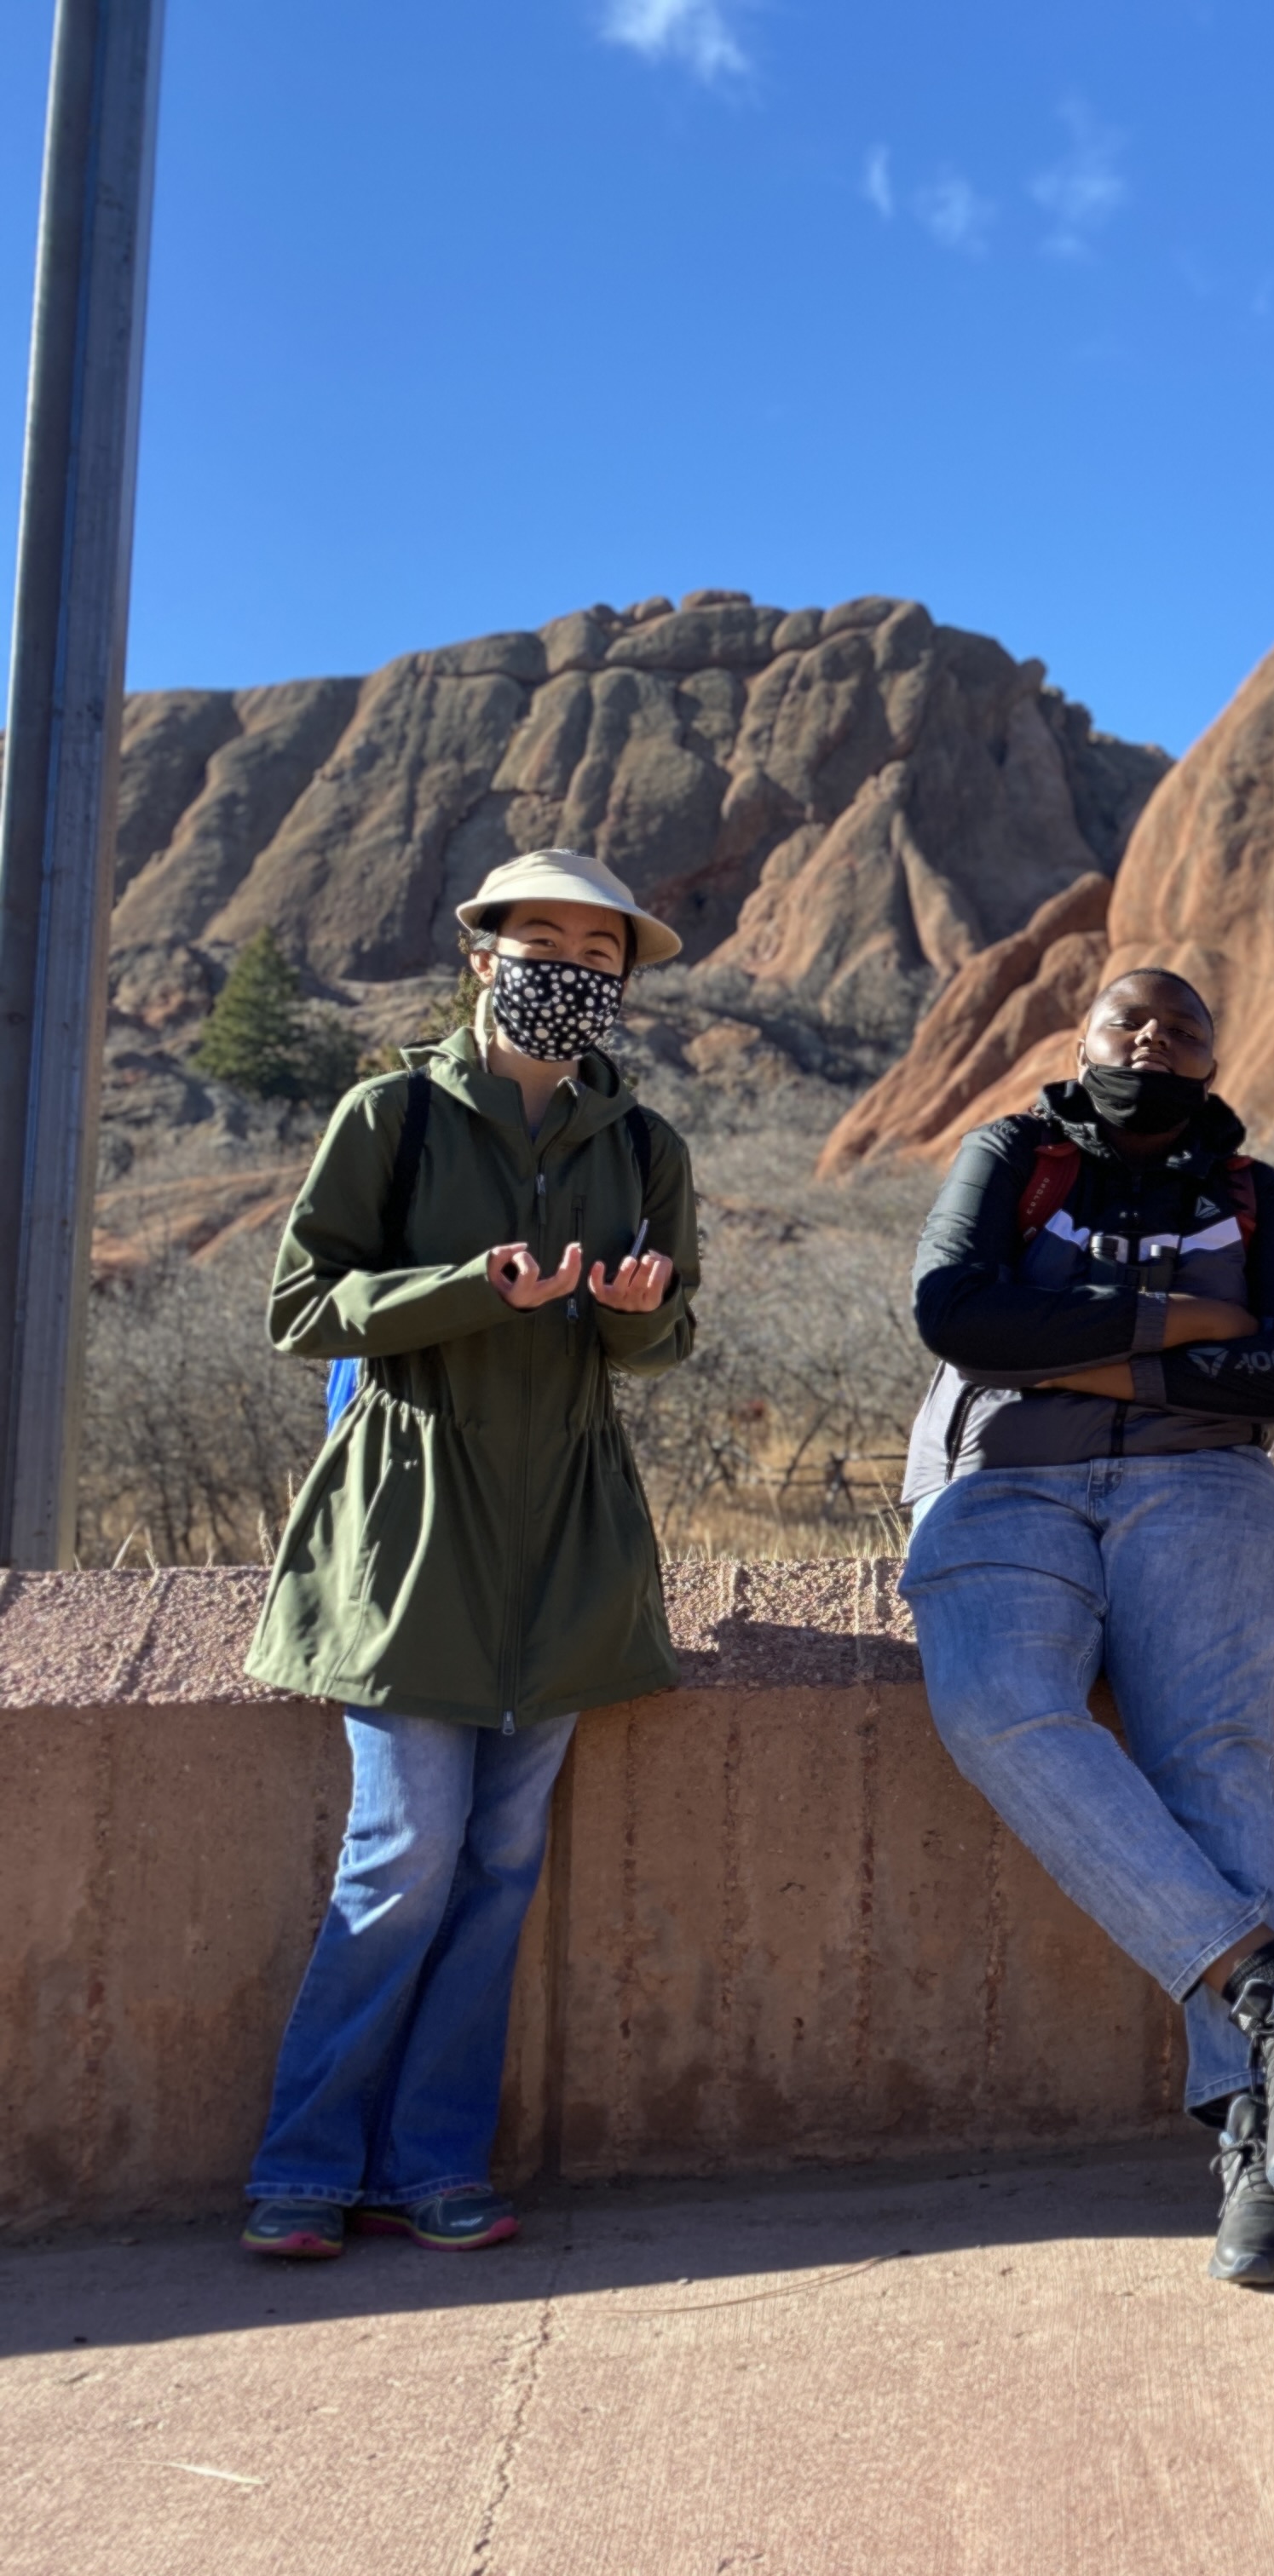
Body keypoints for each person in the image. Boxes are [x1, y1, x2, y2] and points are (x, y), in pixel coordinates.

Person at [897, 963, 1274, 2290]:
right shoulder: (1015, 1152)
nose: (1155, 1042)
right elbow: (954, 1313)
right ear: (1083, 1039)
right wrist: (1181, 1325)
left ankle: (1265, 2160)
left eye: (1184, 1030)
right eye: (1131, 1023)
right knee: (999, 1706)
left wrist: (1063, 1344)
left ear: (1214, 1062)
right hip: (1005, 1485)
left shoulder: (1251, 1192)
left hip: (1204, 1486)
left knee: (1215, 1761)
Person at [239, 849, 698, 2258]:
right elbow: (302, 1303)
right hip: (410, 1528)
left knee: (499, 1863)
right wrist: (468, 1288)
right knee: (403, 1855)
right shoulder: (393, 1112)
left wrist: (624, 1309)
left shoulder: (644, 1145)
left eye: (598, 947)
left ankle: (431, 2159)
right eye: (542, 936)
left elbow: (670, 1339)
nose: (570, 964)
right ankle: (303, 2161)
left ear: (622, 977)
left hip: (564, 1534)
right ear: (482, 951)